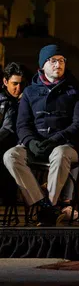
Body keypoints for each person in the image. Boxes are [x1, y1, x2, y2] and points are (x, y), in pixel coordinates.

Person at [3, 45, 79, 225]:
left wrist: (56, 139)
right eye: (53, 60)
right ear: (43, 65)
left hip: (65, 145)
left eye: (62, 60)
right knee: (10, 155)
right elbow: (22, 124)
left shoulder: (76, 89)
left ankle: (48, 205)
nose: (58, 64)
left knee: (60, 153)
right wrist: (30, 142)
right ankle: (45, 206)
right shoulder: (30, 92)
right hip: (37, 144)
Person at [0, 62, 25, 204]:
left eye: (21, 84)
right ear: (5, 81)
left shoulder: (19, 102)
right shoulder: (5, 100)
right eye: (14, 84)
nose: (18, 88)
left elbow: (8, 129)